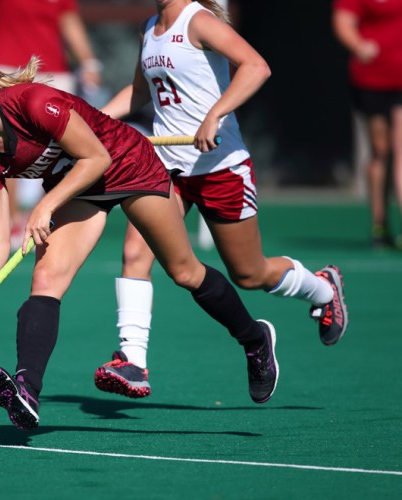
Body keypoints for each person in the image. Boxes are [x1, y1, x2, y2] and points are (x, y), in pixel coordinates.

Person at [0, 56, 279, 431]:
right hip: (79, 189)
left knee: (184, 271)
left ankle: (254, 339)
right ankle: (26, 389)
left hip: (126, 165)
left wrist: (45, 205)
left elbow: (97, 156)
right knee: (46, 279)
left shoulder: (31, 102)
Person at [91, 0, 349, 400]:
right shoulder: (149, 28)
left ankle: (322, 289)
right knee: (136, 253)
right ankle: (133, 361)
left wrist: (216, 114)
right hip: (167, 167)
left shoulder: (200, 21)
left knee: (250, 274)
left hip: (220, 168)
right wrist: (93, 123)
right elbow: (140, 92)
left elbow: (256, 66)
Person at [0, 0, 102, 248]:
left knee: (60, 150)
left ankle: (47, 216)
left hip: (52, 72)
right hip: (5, 68)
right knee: (6, 146)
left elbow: (69, 20)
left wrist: (88, 61)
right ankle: (11, 221)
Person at [332, 0, 402, 249]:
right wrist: (360, 46)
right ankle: (379, 224)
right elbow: (343, 22)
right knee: (380, 151)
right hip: (372, 80)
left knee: (400, 151)